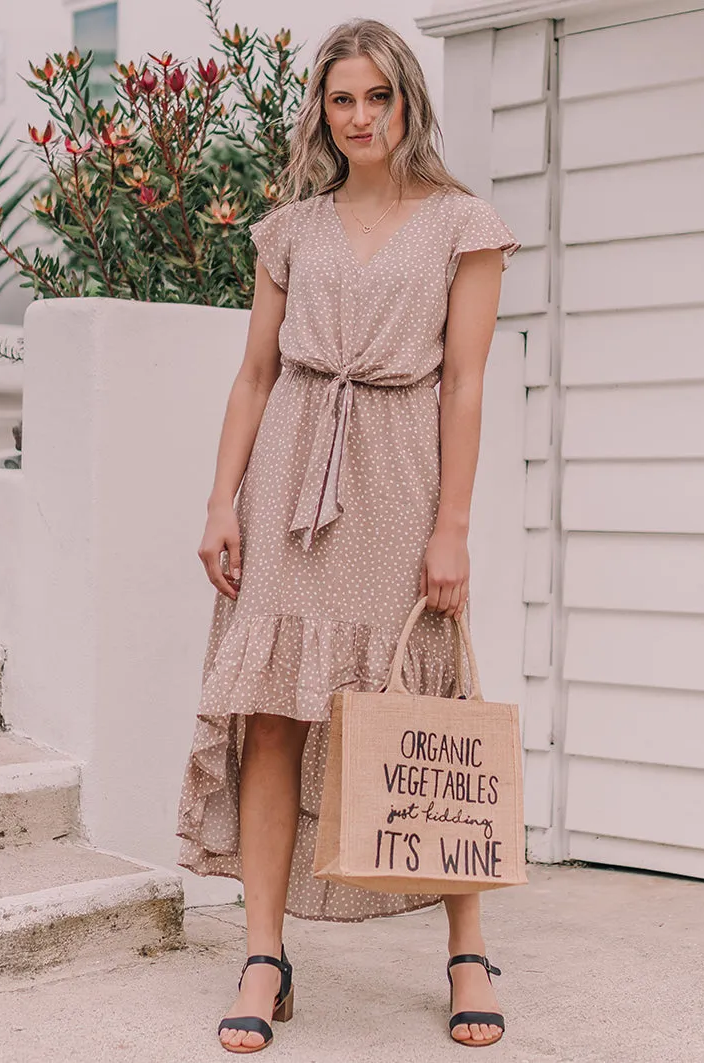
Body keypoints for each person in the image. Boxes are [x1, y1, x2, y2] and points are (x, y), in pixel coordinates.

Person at [175, 16, 521, 1055]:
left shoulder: (466, 224)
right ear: (322, 112)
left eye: (378, 96)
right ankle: (265, 954)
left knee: (425, 711)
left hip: (400, 480)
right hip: (287, 485)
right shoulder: (289, 230)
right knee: (272, 716)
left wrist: (451, 527)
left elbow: (463, 389)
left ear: (407, 102)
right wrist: (220, 499)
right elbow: (255, 375)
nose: (361, 116)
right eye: (342, 99)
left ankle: (467, 949)